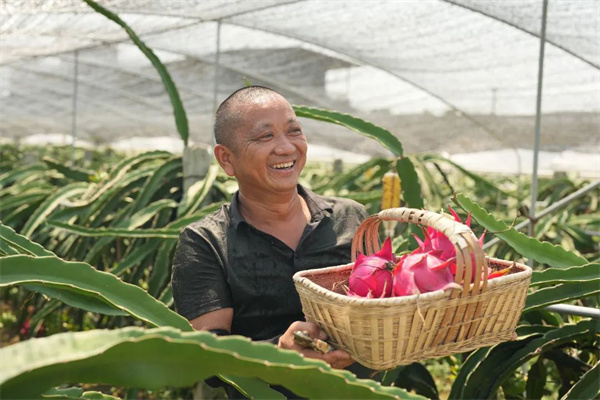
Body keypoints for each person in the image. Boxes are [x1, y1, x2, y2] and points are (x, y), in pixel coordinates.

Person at [171, 86, 370, 398]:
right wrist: (278, 353)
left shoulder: (351, 218)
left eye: (294, 131)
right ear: (226, 159)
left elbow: (385, 303)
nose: (286, 147)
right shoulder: (205, 242)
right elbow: (206, 355)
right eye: (265, 136)